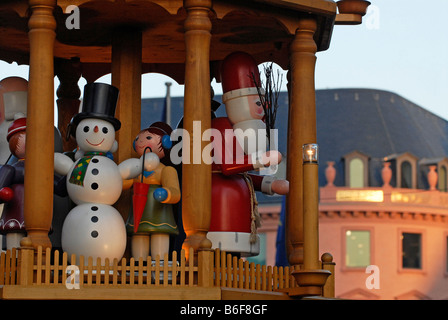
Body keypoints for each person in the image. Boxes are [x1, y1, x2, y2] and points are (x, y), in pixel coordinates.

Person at [124, 122, 181, 261]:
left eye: (148, 138)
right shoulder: (137, 169)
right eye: (137, 139)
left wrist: (166, 193)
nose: (141, 141)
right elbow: (126, 183)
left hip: (160, 214)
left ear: (165, 143)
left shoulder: (165, 170)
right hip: (139, 212)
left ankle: (160, 266)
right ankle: (138, 266)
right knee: (139, 237)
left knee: (160, 236)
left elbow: (175, 192)